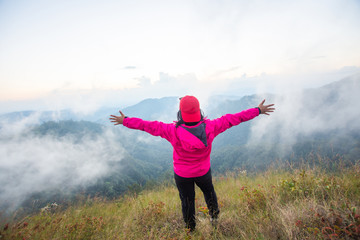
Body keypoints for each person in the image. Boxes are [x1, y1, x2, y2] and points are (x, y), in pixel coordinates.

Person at [109, 96, 275, 231]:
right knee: (209, 193)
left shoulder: (171, 130)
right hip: (203, 172)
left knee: (187, 201)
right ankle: (215, 220)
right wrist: (257, 110)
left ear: (180, 113)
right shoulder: (212, 127)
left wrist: (126, 121)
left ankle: (190, 230)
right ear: (199, 111)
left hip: (182, 174)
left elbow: (148, 126)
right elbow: (235, 119)